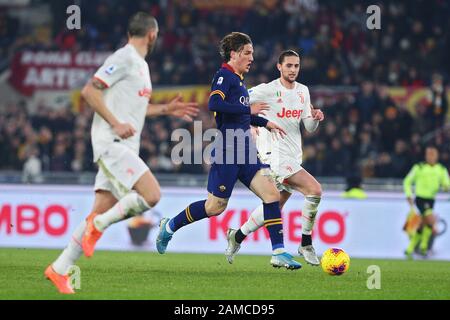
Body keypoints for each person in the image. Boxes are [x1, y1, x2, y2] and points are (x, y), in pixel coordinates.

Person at [44, 12, 199, 294]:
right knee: (151, 195)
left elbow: (134, 109)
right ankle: (99, 226)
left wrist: (164, 109)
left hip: (123, 145)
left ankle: (59, 269)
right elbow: (90, 91)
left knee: (97, 211)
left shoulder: (140, 66)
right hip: (111, 142)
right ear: (152, 34)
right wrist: (115, 123)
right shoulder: (124, 58)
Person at [156, 32, 302, 270]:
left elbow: (238, 115)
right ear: (233, 54)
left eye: (252, 53)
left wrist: (264, 122)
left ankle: (278, 251)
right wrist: (247, 108)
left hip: (245, 149)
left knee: (272, 195)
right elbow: (214, 103)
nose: (251, 58)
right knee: (215, 207)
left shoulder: (238, 79)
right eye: (247, 53)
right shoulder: (224, 76)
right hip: (228, 149)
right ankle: (170, 226)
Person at [223, 50, 325, 266]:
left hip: (293, 155)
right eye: (288, 65)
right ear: (279, 67)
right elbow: (236, 102)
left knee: (274, 205)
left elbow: (308, 127)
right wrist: (250, 122)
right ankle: (305, 243)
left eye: (296, 66)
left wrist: (315, 118)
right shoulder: (267, 90)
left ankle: (237, 236)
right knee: (314, 190)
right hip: (274, 155)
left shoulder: (303, 92)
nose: (293, 70)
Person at [403, 146, 450, 258]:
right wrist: (409, 195)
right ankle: (424, 246)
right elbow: (407, 181)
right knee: (431, 219)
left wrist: (446, 187)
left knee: (423, 224)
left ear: (437, 156)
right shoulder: (419, 167)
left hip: (431, 200)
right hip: (420, 198)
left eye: (433, 154)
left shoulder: (441, 169)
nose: (431, 156)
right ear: (426, 155)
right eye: (429, 154)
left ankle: (410, 248)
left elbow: (446, 183)